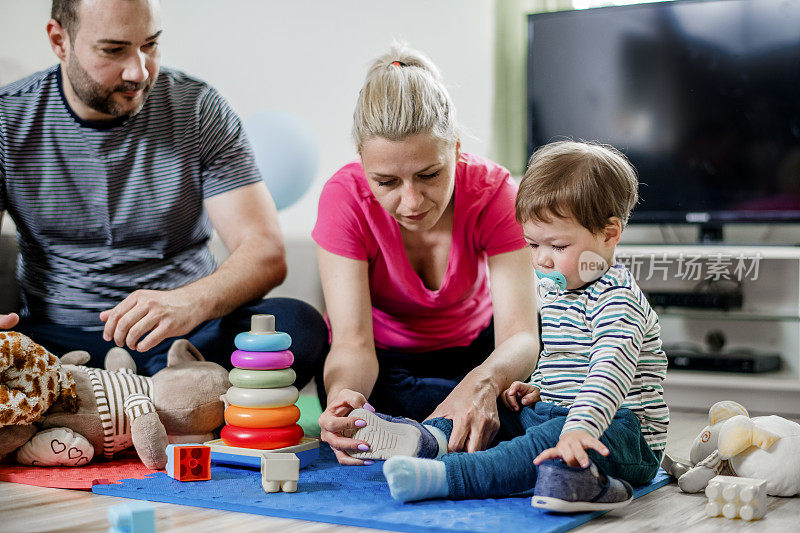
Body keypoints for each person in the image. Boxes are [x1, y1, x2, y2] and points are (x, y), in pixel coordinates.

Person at [0, 0, 328, 379]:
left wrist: (189, 302)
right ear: (60, 40)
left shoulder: (198, 108)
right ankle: (170, 398)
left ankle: (109, 401)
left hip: (187, 337)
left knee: (298, 328)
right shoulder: (8, 120)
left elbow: (265, 252)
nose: (139, 71)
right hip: (56, 339)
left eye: (150, 45)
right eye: (114, 50)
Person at [344, 141, 669, 506]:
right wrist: (538, 389)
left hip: (622, 432)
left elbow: (608, 375)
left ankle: (450, 476)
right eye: (532, 245)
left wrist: (579, 428)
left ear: (609, 235)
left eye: (557, 247)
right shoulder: (563, 291)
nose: (542, 260)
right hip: (560, 413)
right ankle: (429, 438)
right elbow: (563, 360)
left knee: (541, 442)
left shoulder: (618, 301)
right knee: (496, 413)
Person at [312, 43, 540, 465]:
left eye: (429, 175)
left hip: (476, 354)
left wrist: (481, 385)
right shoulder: (343, 199)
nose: (411, 201)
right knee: (505, 423)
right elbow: (352, 342)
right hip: (384, 365)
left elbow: (521, 336)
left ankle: (445, 420)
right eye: (386, 182)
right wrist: (344, 397)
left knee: (524, 392)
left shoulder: (496, 193)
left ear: (455, 148)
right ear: (362, 163)